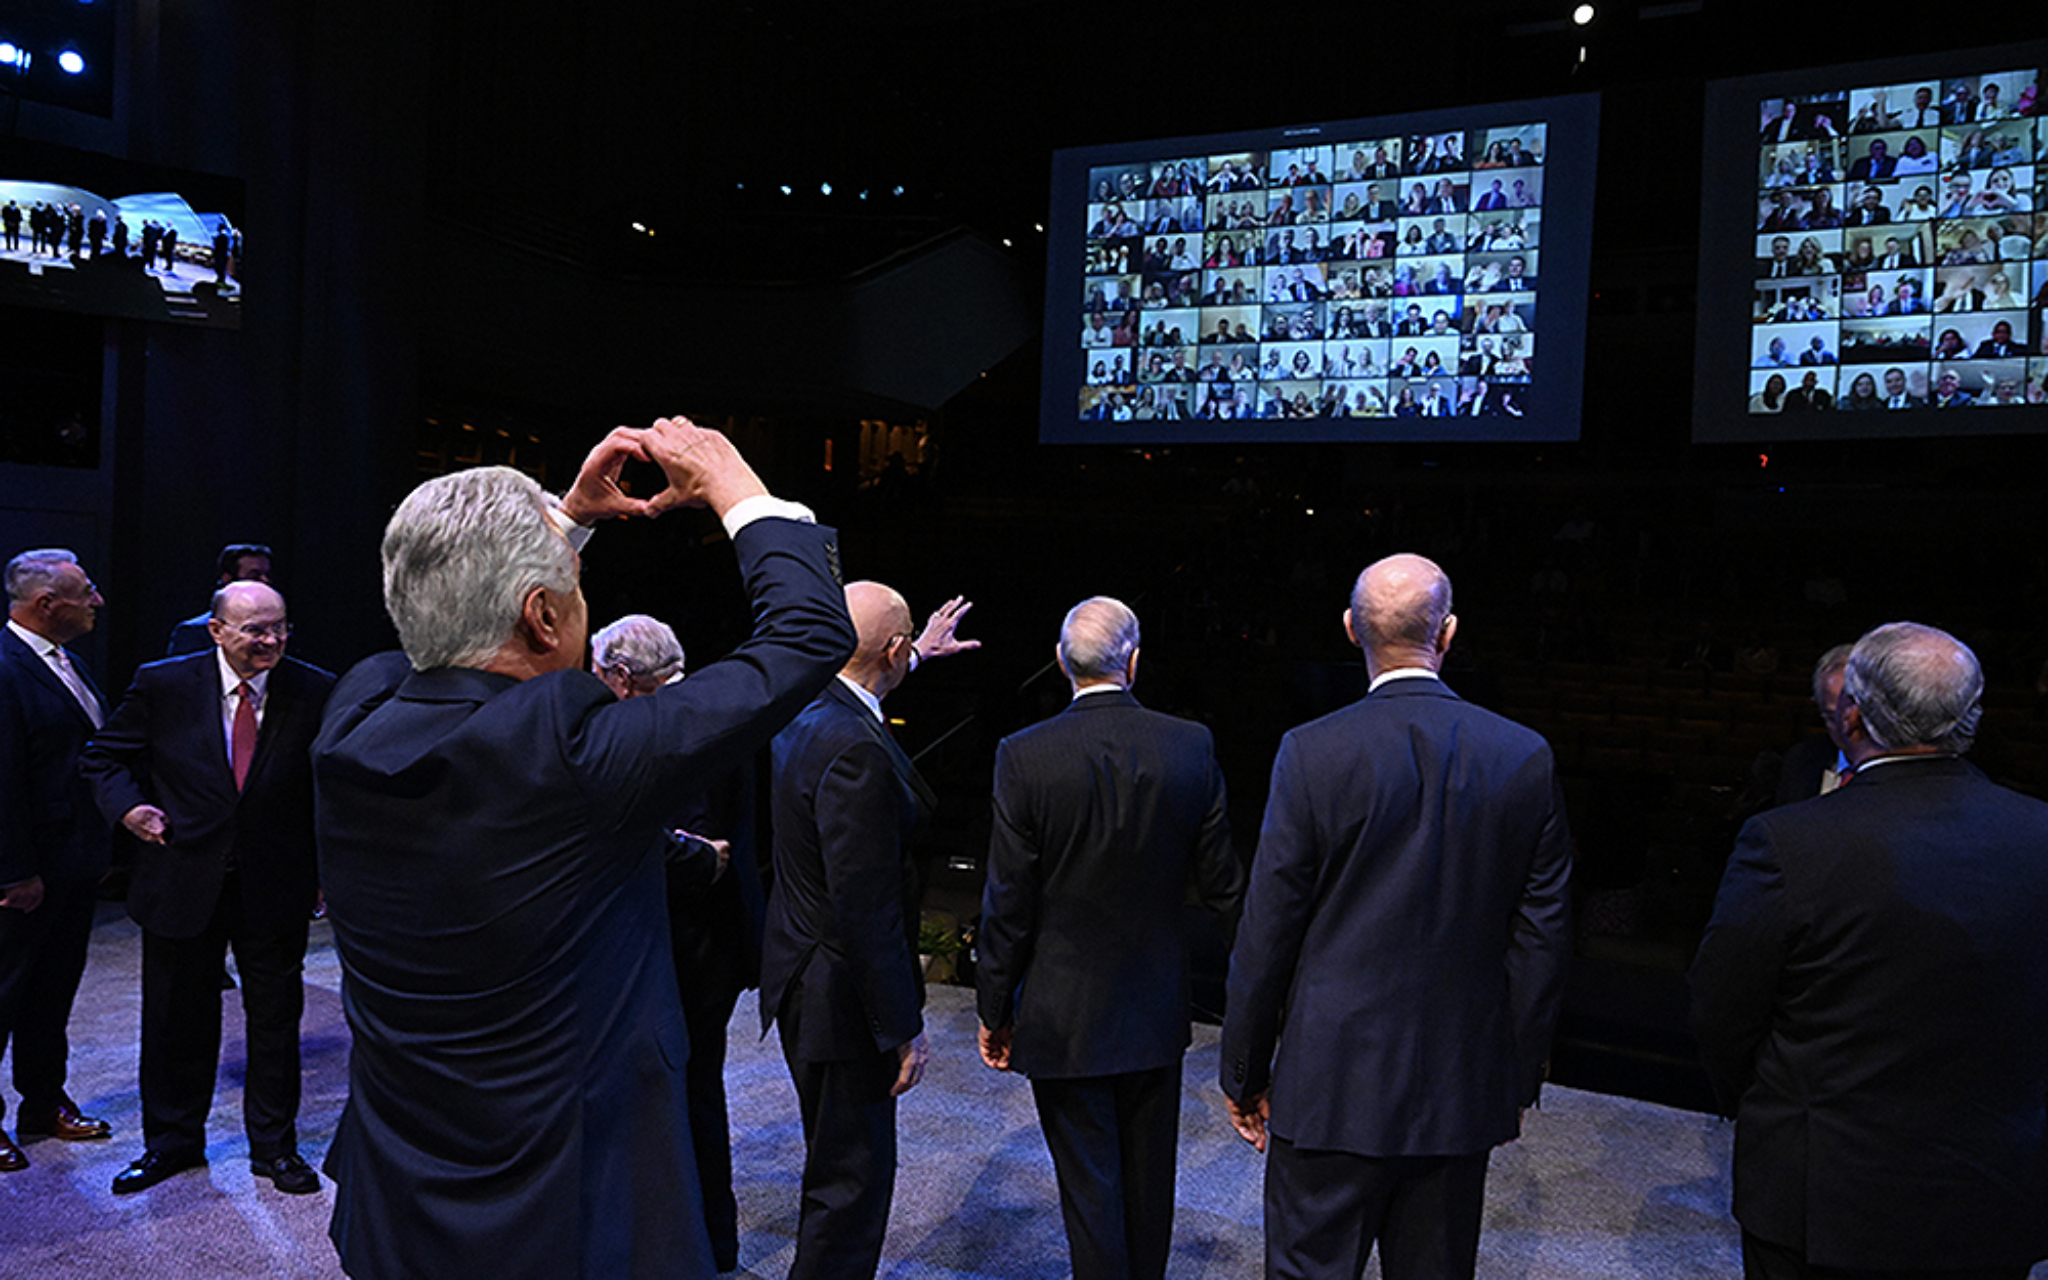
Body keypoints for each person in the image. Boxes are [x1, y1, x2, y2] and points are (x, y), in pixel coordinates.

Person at [311, 420, 856, 1280]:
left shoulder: (354, 718)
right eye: (571, 589)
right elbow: (808, 637)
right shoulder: (572, 754)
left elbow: (436, 643)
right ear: (542, 615)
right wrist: (735, 486)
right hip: (567, 1218)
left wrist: (564, 521)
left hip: (398, 1202)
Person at [1220, 554, 1572, 1280]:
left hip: (1328, 1086)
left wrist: (1244, 1071)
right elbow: (1542, 939)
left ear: (1352, 630)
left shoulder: (1310, 752)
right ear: (1447, 632)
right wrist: (1512, 1081)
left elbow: (1268, 929)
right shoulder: (1523, 756)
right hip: (1456, 1088)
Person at [1691, 623, 2048, 1280]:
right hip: (1993, 1185)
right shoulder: (2039, 834)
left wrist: (1769, 1106)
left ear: (1852, 715)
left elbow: (1722, 1007)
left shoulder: (1788, 841)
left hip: (1823, 1188)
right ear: (1971, 716)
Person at [975, 598, 1244, 1280]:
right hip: (1154, 1006)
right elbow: (1226, 890)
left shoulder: (1024, 754)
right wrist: (1261, 996)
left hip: (1061, 1013)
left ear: (1061, 662)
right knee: (1149, 1186)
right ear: (1134, 661)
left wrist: (993, 1008)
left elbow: (1009, 899)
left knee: (1091, 1191)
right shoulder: (1190, 744)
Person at [80, 581, 335, 1195]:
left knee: (275, 1021)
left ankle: (275, 1149)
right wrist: (129, 810)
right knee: (175, 1019)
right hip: (180, 874)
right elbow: (102, 757)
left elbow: (330, 785)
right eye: (255, 630)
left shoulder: (315, 688)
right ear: (217, 630)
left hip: (275, 881)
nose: (271, 641)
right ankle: (172, 1144)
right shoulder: (163, 683)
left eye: (279, 627)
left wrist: (327, 871)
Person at [761, 583, 978, 1280]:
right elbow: (866, 905)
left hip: (801, 974)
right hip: (839, 996)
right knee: (850, 1184)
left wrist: (914, 655)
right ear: (892, 648)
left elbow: (863, 676)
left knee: (837, 1167)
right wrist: (901, 1025)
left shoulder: (803, 707)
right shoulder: (855, 748)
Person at [0, 550, 114, 1173]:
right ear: (47, 605)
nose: (97, 601)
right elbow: (1, 783)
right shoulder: (5, 666)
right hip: (26, 874)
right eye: (86, 592)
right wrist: (14, 872)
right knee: (4, 993)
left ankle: (43, 1101)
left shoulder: (65, 660)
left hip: (72, 865)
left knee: (51, 992)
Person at [166, 544, 274, 655]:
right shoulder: (194, 633)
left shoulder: (277, 632)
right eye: (254, 575)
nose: (265, 581)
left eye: (267, 575)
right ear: (228, 579)